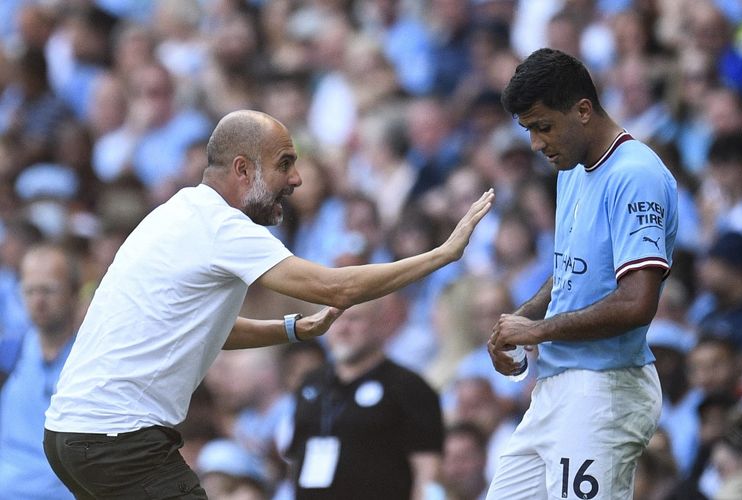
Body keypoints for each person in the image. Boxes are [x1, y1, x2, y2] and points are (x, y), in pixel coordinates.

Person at [43, 109, 493, 499]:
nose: (296, 178)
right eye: (285, 164)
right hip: (117, 440)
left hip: (70, 436)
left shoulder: (178, 212)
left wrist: (293, 329)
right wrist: (442, 254)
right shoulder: (225, 228)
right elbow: (336, 288)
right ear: (243, 169)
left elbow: (208, 330)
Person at [487, 48, 678, 499]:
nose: (536, 143)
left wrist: (537, 331)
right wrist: (521, 320)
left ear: (583, 110)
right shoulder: (571, 168)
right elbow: (570, 271)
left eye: (543, 126)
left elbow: (637, 302)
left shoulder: (636, 174)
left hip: (604, 390)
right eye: (529, 130)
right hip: (556, 387)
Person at [287, 299, 444, 500]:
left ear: (380, 323)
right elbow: (295, 460)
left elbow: (428, 473)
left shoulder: (409, 387)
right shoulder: (311, 384)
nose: (343, 328)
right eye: (334, 320)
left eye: (354, 319)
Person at [0, 244, 80, 499]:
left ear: (74, 292)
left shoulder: (90, 358)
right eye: (30, 291)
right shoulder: (11, 351)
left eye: (48, 290)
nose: (38, 301)